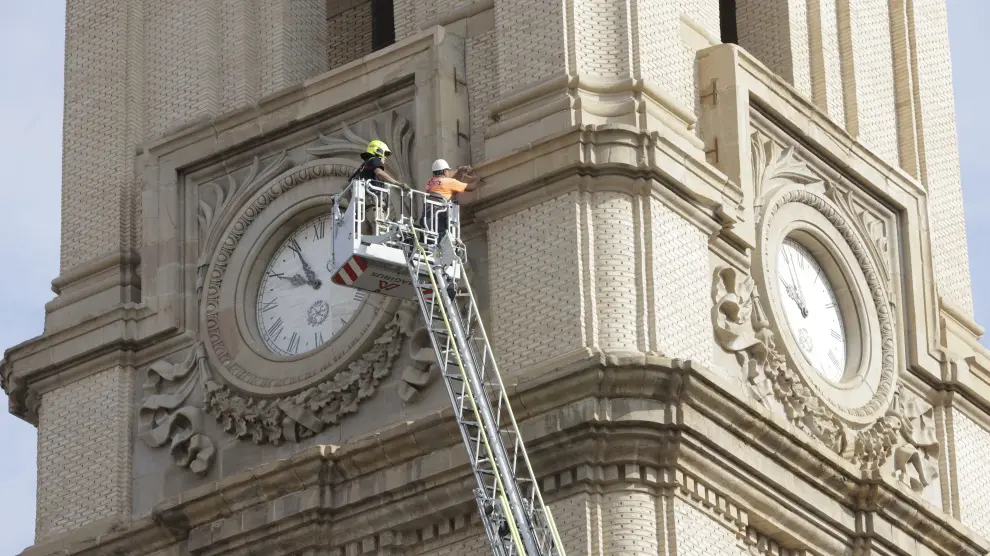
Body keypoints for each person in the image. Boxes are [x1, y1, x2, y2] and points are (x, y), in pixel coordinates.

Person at [422, 159, 480, 240]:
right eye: (448, 171)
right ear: (445, 172)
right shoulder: (450, 182)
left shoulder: (430, 182)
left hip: (428, 217)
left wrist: (459, 170)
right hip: (440, 217)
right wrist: (477, 179)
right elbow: (471, 187)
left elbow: (447, 177)